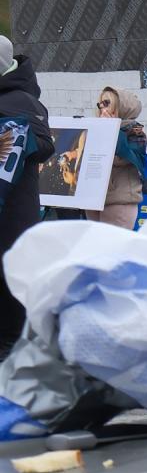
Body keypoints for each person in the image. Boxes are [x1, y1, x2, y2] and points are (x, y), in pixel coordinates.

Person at [0, 34, 52, 352]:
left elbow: (43, 145)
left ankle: (10, 346)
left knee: (9, 273)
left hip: (11, 211)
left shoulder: (21, 101)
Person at [91, 86, 146, 230]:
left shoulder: (135, 132)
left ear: (120, 106)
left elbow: (124, 158)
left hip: (120, 198)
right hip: (95, 197)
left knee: (113, 247)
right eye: (100, 104)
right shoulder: (99, 128)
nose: (102, 107)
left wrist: (109, 129)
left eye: (107, 103)